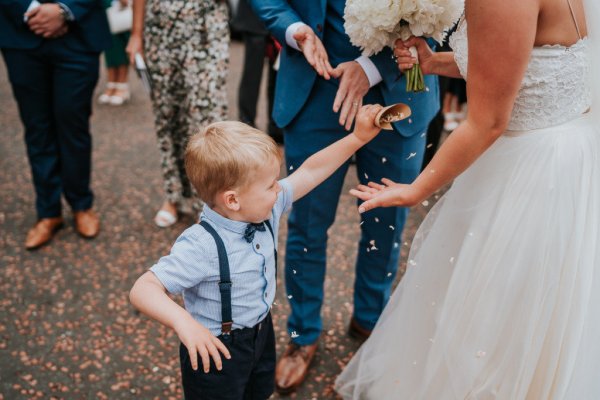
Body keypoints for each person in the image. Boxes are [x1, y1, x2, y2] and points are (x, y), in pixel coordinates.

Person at [336, 0, 600, 398]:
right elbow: (518, 64)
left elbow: (486, 122)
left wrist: (415, 190)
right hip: (565, 152)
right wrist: (433, 62)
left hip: (530, 173)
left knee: (493, 322)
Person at [129, 105, 383, 399]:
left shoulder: (266, 207)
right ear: (233, 200)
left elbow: (311, 171)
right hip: (216, 350)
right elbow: (143, 289)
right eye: (270, 185)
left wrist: (357, 139)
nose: (279, 190)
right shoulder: (201, 245)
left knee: (259, 391)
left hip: (261, 332)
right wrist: (184, 323)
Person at [249, 0, 440, 393]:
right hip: (314, 85)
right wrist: (292, 29)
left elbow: (445, 17)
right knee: (305, 223)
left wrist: (372, 68)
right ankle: (302, 334)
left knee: (386, 221)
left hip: (399, 87)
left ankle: (371, 322)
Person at [0, 0, 110, 249]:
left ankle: (81, 204)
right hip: (20, 35)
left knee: (74, 125)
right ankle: (48, 211)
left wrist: (64, 10)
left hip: (79, 33)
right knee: (37, 128)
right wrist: (29, 9)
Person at [126, 0, 228, 228]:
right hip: (160, 30)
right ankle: (174, 195)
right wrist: (136, 33)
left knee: (207, 117)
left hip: (206, 27)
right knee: (168, 115)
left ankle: (211, 202)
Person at [231, 0, 283, 144]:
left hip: (280, 17)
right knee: (252, 73)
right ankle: (246, 123)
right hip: (253, 16)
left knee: (278, 72)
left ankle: (276, 126)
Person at [98, 0, 131, 106]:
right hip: (106, 8)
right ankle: (112, 84)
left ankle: (122, 85)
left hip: (121, 9)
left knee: (121, 49)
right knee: (110, 49)